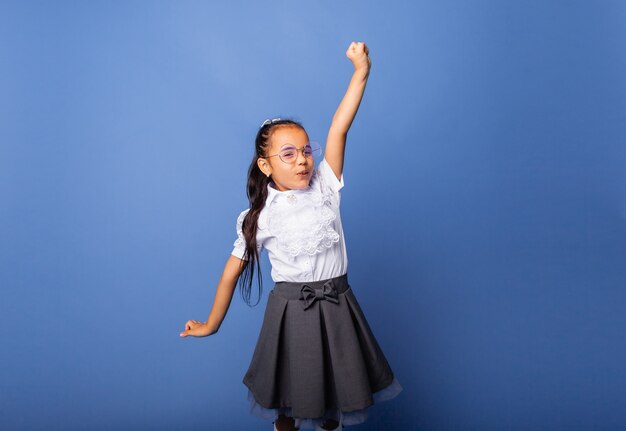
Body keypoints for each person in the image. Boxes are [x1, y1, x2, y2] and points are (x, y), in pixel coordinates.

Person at [180, 41, 402, 431]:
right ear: (265, 165)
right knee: (289, 403)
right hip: (291, 314)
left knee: (334, 399)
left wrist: (360, 71)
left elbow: (339, 125)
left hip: (338, 307)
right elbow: (230, 273)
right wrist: (212, 323)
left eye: (305, 150)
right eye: (288, 154)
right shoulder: (259, 217)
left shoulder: (326, 186)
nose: (302, 160)